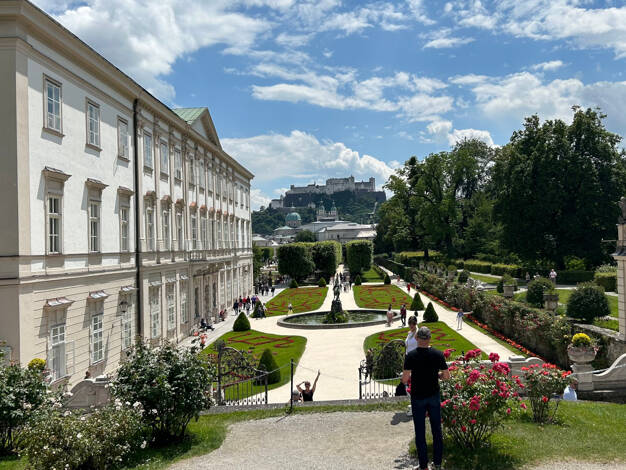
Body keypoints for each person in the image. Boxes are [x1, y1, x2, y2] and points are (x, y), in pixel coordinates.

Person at [402, 326, 450, 470]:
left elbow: (405, 379)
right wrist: (438, 375)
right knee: (437, 430)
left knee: (420, 432)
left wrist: (412, 375)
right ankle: (437, 464)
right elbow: (446, 376)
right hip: (433, 396)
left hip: (418, 397)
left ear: (417, 338)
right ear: (430, 338)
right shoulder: (438, 354)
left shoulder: (411, 356)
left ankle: (423, 466)